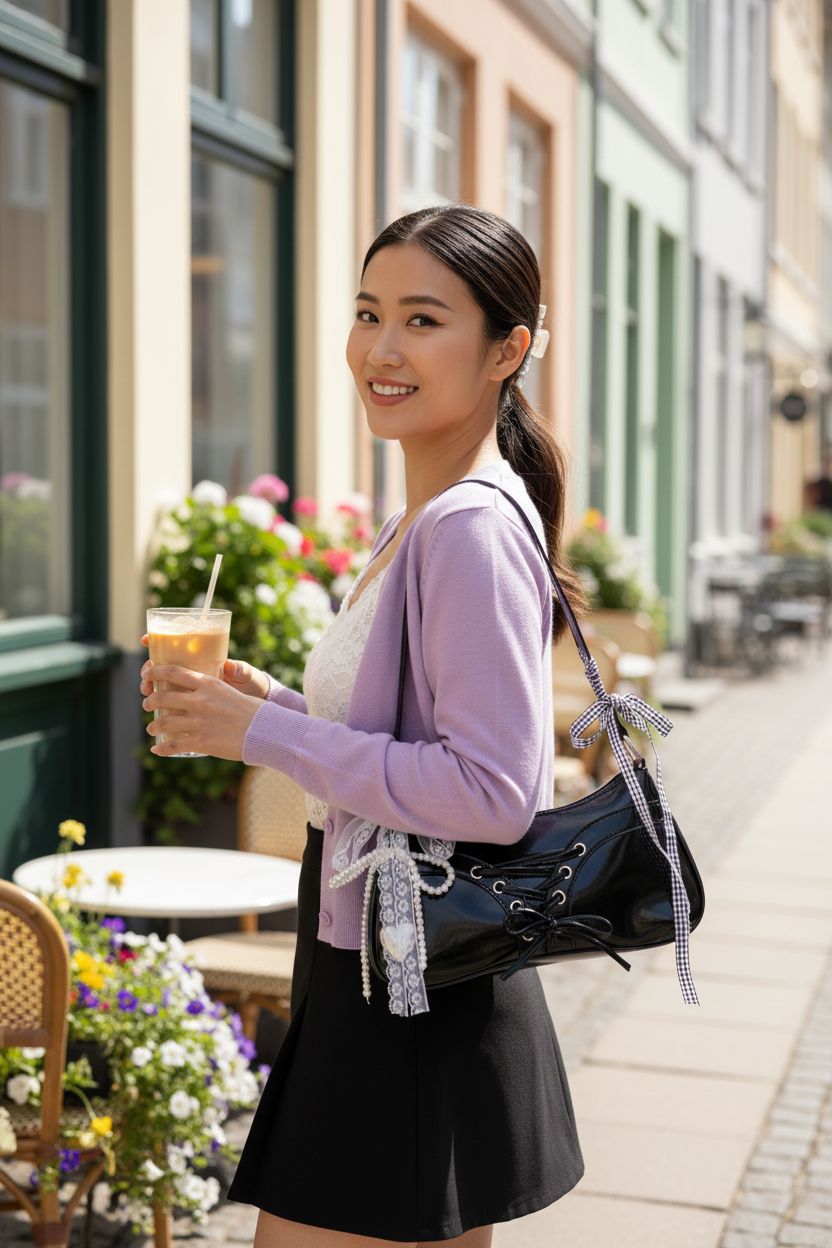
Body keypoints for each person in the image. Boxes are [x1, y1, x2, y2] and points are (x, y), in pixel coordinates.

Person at [138, 203, 591, 1248]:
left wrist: (264, 740)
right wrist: (276, 710)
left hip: (410, 989)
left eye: (423, 321)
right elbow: (401, 733)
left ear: (505, 351)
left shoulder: (468, 527)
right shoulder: (420, 519)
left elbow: (489, 790)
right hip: (385, 964)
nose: (381, 350)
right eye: (367, 312)